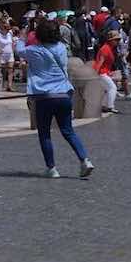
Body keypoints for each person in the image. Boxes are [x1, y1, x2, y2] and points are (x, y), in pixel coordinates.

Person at [19, 15, 93, 179]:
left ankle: (51, 168)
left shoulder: (33, 50)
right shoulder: (60, 47)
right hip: (63, 94)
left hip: (44, 97)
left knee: (44, 133)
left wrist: (23, 35)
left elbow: (19, 50)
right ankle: (85, 159)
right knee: (68, 131)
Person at [94, 30, 121, 114]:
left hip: (103, 72)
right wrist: (95, 74)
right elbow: (100, 62)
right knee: (112, 88)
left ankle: (104, 105)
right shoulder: (106, 49)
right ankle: (110, 106)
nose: (118, 41)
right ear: (110, 40)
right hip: (101, 73)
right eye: (116, 40)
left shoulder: (108, 48)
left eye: (118, 40)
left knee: (108, 89)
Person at [0, 19, 15, 91]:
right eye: (6, 29)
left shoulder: (10, 34)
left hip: (10, 54)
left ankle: (9, 86)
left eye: (8, 29)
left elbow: (12, 42)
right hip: (2, 55)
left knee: (10, 70)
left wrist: (12, 49)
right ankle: (2, 84)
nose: (7, 30)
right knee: (2, 71)